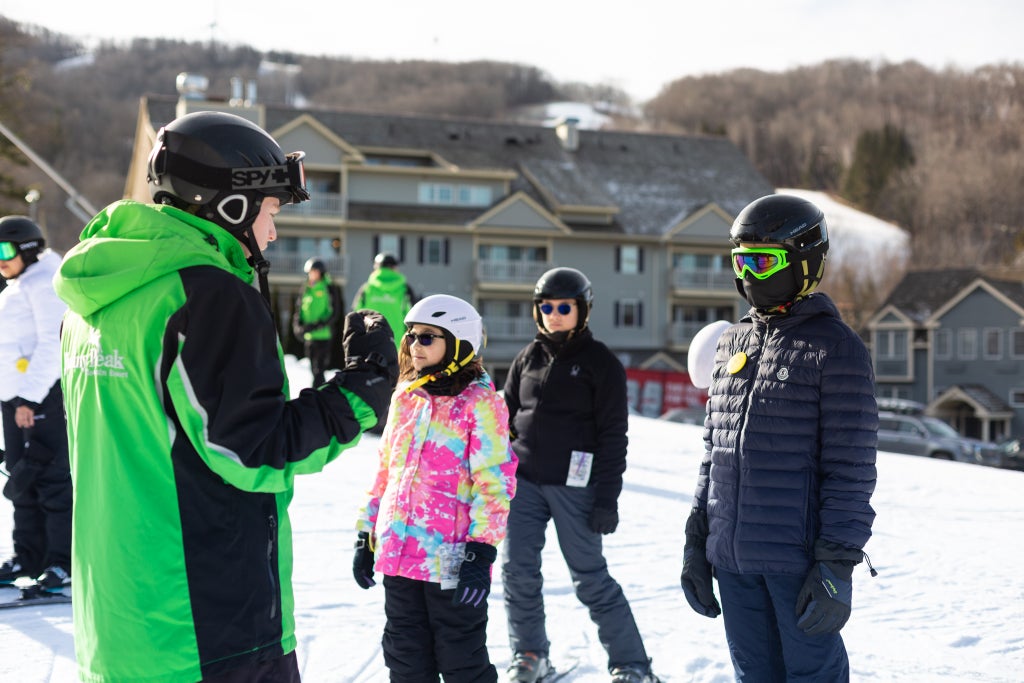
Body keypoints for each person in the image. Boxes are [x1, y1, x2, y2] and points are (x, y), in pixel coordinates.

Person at [53, 110, 398, 683]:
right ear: (231, 206)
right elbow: (254, 449)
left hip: (118, 628)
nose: (274, 232)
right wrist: (362, 393)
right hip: (206, 627)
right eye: (271, 211)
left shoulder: (95, 299)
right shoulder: (208, 294)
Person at [680, 193, 878, 682]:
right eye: (741, 260)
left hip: (798, 562)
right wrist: (696, 539)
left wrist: (836, 564)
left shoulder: (835, 349)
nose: (749, 274)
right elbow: (714, 454)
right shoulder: (732, 342)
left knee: (812, 675)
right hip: (733, 559)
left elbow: (850, 468)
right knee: (754, 674)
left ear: (805, 261)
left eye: (764, 260)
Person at [502, 267, 661, 683]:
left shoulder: (601, 364)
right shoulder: (527, 358)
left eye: (564, 307)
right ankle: (530, 654)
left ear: (582, 310)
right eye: (547, 306)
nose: (554, 314)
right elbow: (505, 419)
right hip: (525, 486)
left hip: (577, 488)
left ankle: (631, 664)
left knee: (590, 578)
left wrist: (607, 499)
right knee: (518, 571)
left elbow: (613, 436)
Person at [353, 294, 517, 682]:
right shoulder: (405, 397)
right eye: (411, 336)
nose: (414, 345)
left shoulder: (481, 403)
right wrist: (366, 532)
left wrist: (481, 550)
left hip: (453, 560)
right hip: (398, 553)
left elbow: (494, 482)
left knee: (461, 662)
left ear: (459, 343)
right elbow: (386, 472)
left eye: (428, 337)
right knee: (405, 660)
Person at [0, 215, 72, 594]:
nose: (0, 258)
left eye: (4, 250)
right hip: (16, 401)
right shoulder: (19, 283)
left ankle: (61, 562)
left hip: (40, 397)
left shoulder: (44, 283)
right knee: (21, 478)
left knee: (50, 480)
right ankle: (28, 556)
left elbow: (52, 343)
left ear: (27, 248)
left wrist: (29, 397)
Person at [293, 257, 342, 385]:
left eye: (314, 271)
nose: (311, 274)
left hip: (323, 335)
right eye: (309, 272)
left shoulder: (328, 288)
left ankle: (317, 395)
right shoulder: (306, 288)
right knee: (313, 370)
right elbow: (299, 309)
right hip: (310, 336)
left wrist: (318, 325)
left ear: (321, 272)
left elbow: (334, 312)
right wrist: (298, 326)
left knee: (319, 370)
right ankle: (319, 393)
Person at [352, 251, 417, 350]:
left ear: (377, 267)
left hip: (371, 338)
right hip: (396, 340)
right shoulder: (404, 289)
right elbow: (413, 315)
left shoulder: (367, 288)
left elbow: (356, 313)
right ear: (394, 268)